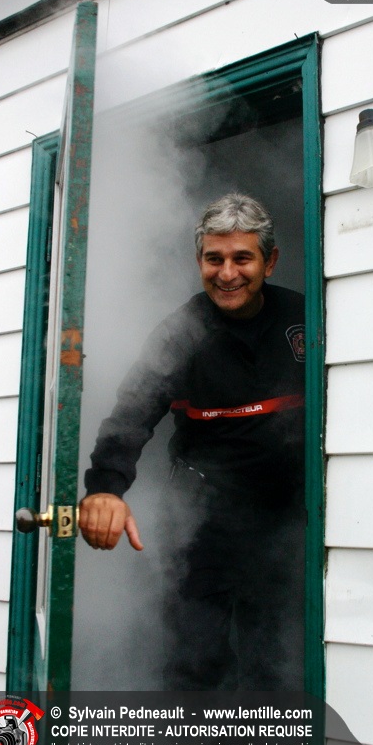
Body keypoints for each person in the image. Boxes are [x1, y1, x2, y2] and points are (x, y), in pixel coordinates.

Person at [80, 193, 305, 690]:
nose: (227, 274)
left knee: (277, 660)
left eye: (242, 258)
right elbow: (130, 415)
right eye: (214, 259)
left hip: (287, 517)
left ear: (269, 261)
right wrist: (105, 489)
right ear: (199, 261)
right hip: (202, 519)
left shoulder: (305, 318)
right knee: (196, 661)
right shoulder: (179, 334)